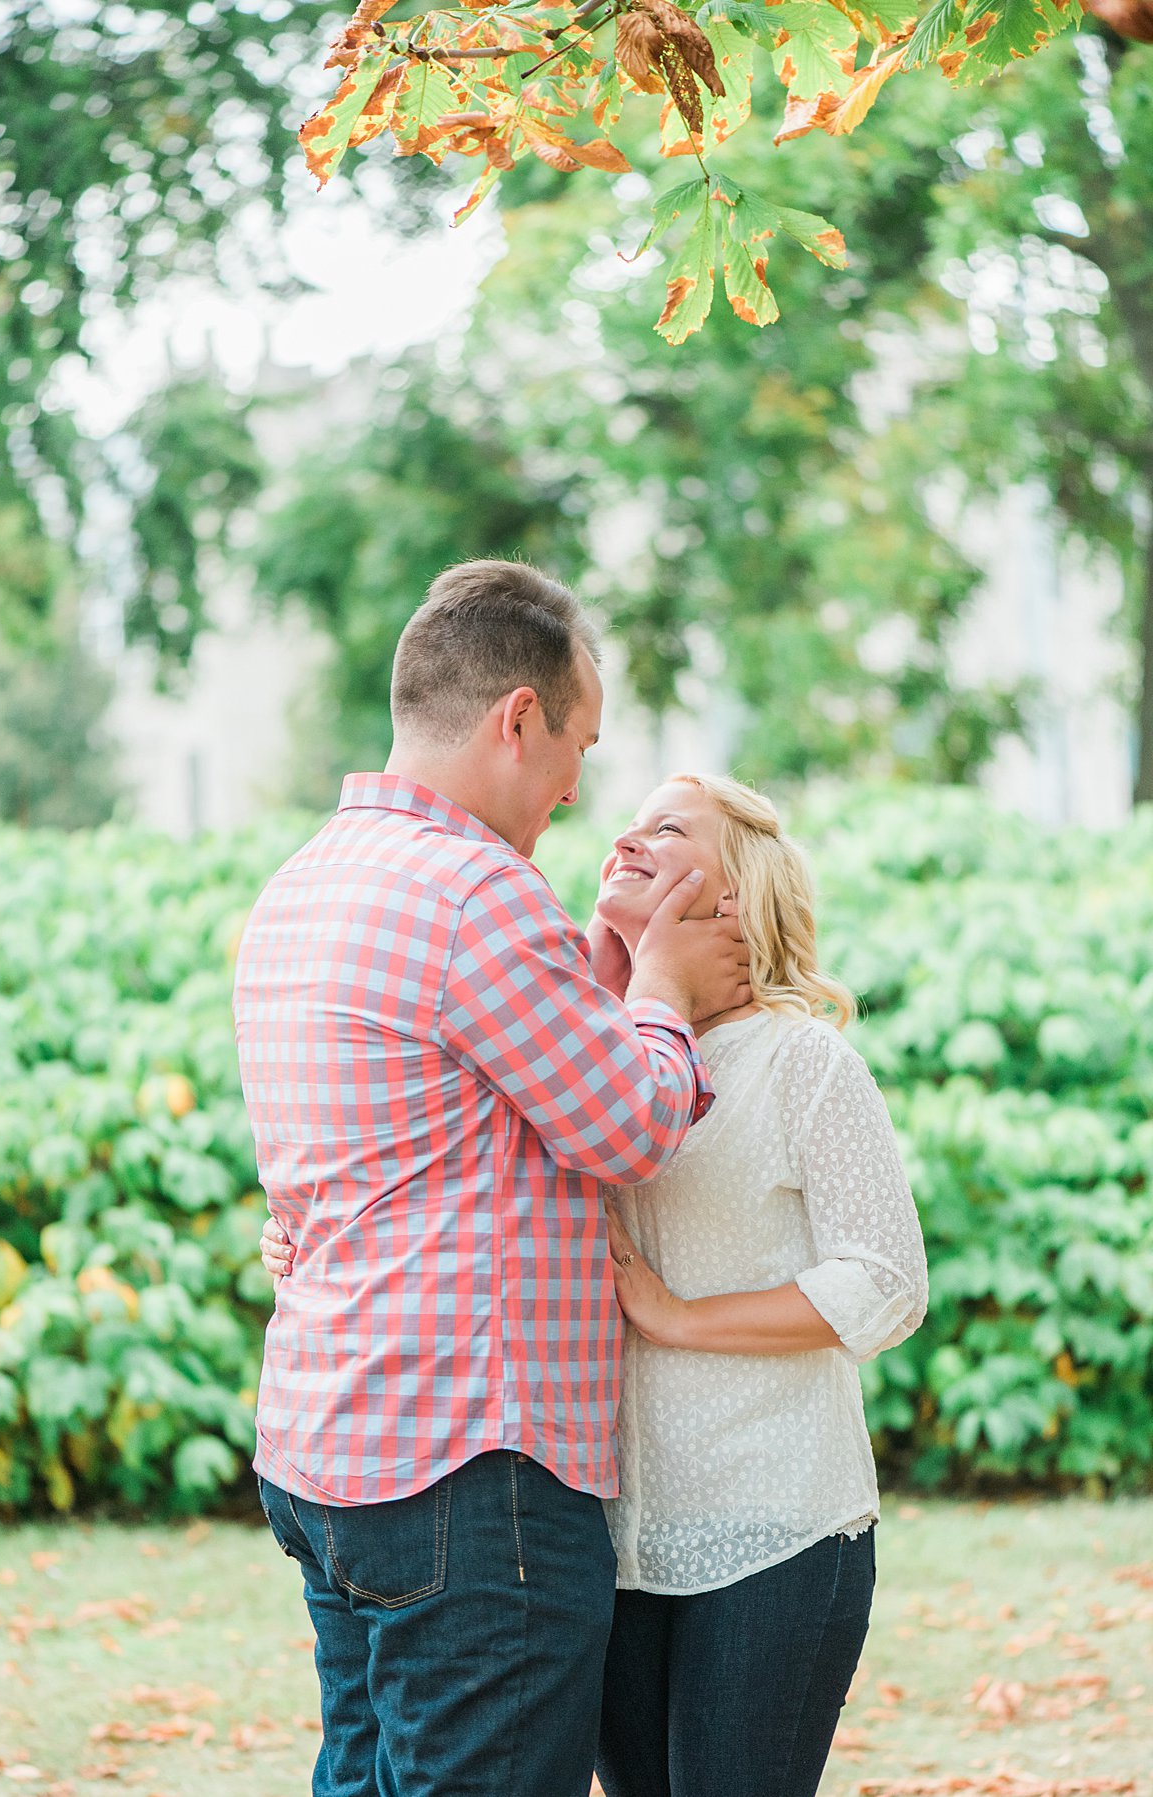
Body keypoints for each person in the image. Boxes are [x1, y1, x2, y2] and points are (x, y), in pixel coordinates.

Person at [264, 768, 927, 1797]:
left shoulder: (803, 1062)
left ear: (735, 890)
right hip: (612, 1539)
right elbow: (453, 1166)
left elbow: (884, 1285)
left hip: (777, 1530)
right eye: (630, 820)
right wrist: (311, 1235)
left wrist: (677, 1316)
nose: (624, 835)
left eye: (667, 829)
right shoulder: (592, 1047)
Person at [232, 559, 751, 1797]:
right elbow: (625, 1127)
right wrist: (668, 995)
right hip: (469, 1478)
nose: (581, 791)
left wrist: (602, 970)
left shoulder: (304, 884)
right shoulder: (477, 893)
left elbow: (446, 1107)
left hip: (329, 1451)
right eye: (580, 743)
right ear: (519, 719)